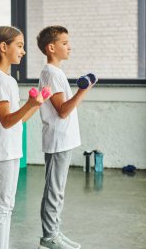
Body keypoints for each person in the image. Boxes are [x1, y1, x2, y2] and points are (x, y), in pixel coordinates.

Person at [0, 26, 49, 249]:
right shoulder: (0, 82)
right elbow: (7, 120)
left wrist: (37, 104)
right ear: (3, 47)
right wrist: (30, 103)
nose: (23, 51)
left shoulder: (7, 80)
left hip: (9, 150)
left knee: (6, 206)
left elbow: (18, 120)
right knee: (3, 207)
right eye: (20, 45)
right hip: (1, 152)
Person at [36, 25, 95, 249]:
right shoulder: (50, 73)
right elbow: (62, 110)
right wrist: (83, 90)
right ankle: (48, 238)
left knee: (57, 189)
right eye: (64, 43)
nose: (69, 47)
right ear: (51, 47)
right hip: (57, 140)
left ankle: (54, 232)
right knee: (54, 190)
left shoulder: (56, 72)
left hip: (64, 140)